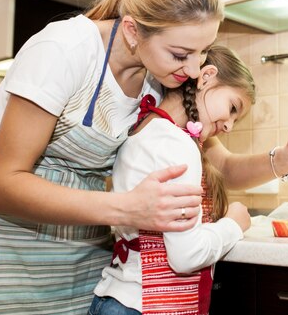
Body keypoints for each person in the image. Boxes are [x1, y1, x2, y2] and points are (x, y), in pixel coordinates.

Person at [0, 0, 288, 315]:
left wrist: (286, 158)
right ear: (133, 30)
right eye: (182, 54)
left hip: (84, 256)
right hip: (5, 248)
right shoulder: (65, 50)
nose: (196, 70)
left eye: (204, 52)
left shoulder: (159, 78)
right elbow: (3, 183)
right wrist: (127, 208)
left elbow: (220, 167)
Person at [89, 44, 255, 315]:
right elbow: (186, 256)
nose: (229, 126)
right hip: (145, 306)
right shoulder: (177, 144)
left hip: (116, 298)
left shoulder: (143, 127)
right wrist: (233, 225)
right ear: (206, 76)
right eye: (233, 107)